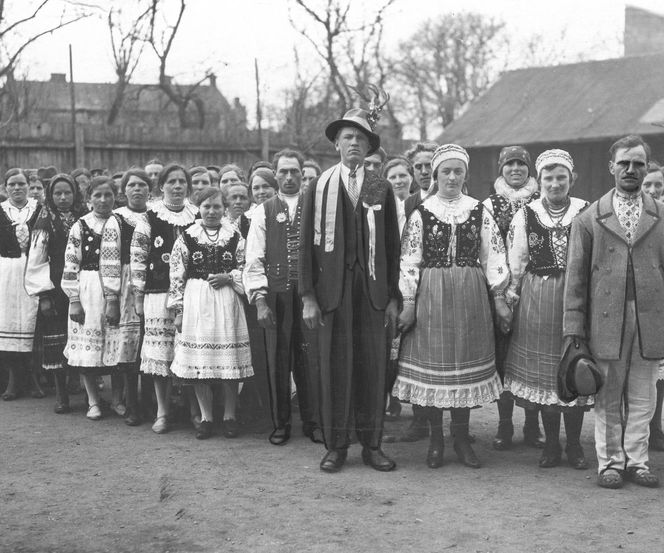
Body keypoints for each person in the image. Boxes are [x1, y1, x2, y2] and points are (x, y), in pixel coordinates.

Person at [299, 105, 400, 473]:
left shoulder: (379, 186)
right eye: (347, 137)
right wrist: (309, 296)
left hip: (371, 292)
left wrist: (392, 297)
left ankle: (372, 446)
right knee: (334, 367)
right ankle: (336, 445)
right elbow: (305, 247)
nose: (354, 143)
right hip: (332, 294)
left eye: (360, 138)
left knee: (372, 368)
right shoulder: (319, 186)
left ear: (369, 146)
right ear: (337, 144)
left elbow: (392, 245)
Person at [394, 144, 508, 469]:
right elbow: (410, 260)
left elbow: (494, 256)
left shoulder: (478, 210)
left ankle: (461, 440)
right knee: (435, 370)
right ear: (436, 174)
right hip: (432, 296)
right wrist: (409, 301)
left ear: (465, 175)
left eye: (458, 171)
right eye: (446, 171)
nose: (453, 177)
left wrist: (499, 297)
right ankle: (436, 441)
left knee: (463, 368)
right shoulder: (422, 213)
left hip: (470, 297)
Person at [564, 134, 664, 489]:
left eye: (638, 163)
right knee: (607, 395)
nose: (631, 170)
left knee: (643, 394)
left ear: (646, 167)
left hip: (650, 319)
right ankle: (610, 463)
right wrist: (574, 329)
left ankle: (637, 461)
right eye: (624, 163)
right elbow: (574, 280)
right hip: (605, 320)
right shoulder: (590, 218)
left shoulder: (660, 214)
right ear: (612, 167)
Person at [503, 150, 591, 469]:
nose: (555, 184)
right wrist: (510, 299)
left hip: (575, 298)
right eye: (549, 179)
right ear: (539, 182)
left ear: (571, 179)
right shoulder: (526, 214)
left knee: (574, 368)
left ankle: (576, 445)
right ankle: (552, 445)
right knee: (545, 377)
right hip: (537, 298)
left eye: (561, 178)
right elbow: (517, 261)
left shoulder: (585, 211)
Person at [244, 148, 321, 445]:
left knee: (309, 358)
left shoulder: (314, 206)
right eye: (283, 172)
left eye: (294, 172)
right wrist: (260, 301)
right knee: (278, 359)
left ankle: (313, 422)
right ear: (275, 175)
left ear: (303, 175)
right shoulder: (263, 211)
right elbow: (254, 259)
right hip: (276, 296)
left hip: (308, 296)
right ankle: (281, 423)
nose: (289, 177)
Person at [168, 187, 253, 439]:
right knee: (201, 363)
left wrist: (229, 277)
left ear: (224, 208)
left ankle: (229, 415)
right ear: (198, 209)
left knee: (229, 363)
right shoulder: (186, 236)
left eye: (217, 206)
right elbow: (176, 275)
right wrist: (179, 310)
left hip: (227, 302)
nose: (212, 211)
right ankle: (206, 416)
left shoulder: (235, 236)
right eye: (206, 207)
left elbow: (247, 267)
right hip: (197, 301)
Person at [482, 145, 544, 451]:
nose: (516, 169)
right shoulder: (489, 205)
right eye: (510, 164)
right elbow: (487, 250)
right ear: (501, 169)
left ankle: (532, 426)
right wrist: (500, 293)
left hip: (535, 290)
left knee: (533, 357)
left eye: (521, 163)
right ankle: (504, 424)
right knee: (503, 359)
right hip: (499, 291)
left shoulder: (542, 200)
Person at [131, 163, 198, 434]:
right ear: (162, 186)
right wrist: (138, 296)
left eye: (182, 181)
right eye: (172, 181)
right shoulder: (149, 218)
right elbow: (138, 257)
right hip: (157, 293)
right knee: (161, 354)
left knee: (190, 352)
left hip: (192, 294)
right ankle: (162, 411)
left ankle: (195, 410)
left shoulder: (196, 216)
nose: (178, 186)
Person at [60, 176, 124, 420]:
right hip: (87, 288)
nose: (103, 200)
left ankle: (118, 399)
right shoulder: (81, 225)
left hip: (115, 289)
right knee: (87, 351)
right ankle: (93, 401)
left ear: (115, 198)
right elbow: (70, 262)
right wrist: (74, 299)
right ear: (88, 200)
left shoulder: (121, 222)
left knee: (115, 345)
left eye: (108, 195)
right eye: (97, 195)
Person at [388, 142, 438, 444]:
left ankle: (451, 422)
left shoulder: (460, 200)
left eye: (428, 165)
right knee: (416, 351)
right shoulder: (408, 204)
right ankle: (420, 420)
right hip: (412, 286)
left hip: (444, 286)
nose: (423, 171)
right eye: (418, 166)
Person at [25, 173, 87, 413]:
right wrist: (44, 295)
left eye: (67, 192)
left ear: (75, 194)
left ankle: (80, 386)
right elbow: (37, 260)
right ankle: (62, 395)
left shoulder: (84, 217)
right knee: (58, 339)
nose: (63, 197)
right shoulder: (45, 221)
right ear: (50, 196)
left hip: (84, 285)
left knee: (82, 336)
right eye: (57, 193)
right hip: (56, 287)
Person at [114, 168, 151, 426]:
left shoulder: (156, 215)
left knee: (152, 344)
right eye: (131, 185)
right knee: (130, 346)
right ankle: (132, 404)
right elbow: (110, 258)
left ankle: (151, 401)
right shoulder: (116, 219)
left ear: (150, 189)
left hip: (155, 281)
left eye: (142, 185)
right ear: (123, 190)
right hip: (127, 285)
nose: (137, 189)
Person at [0, 169, 41, 400]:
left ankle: (33, 378)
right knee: (9, 324)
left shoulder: (39, 210)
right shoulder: (0, 211)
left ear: (28, 185)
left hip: (33, 272)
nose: (17, 188)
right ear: (6, 188)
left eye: (21, 184)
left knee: (32, 324)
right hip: (5, 274)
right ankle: (13, 382)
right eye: (12, 184)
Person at [642, 163, 664, 451]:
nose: (653, 190)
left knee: (660, 373)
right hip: (638, 300)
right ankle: (629, 428)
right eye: (648, 185)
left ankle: (654, 426)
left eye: (658, 185)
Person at [383, 157, 413, 236]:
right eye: (392, 177)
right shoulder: (382, 210)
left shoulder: (421, 204)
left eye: (402, 176)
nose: (398, 181)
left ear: (411, 178)